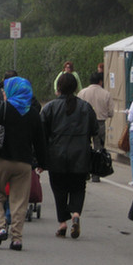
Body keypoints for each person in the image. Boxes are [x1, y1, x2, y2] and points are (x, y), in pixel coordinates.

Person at [0, 77, 47, 251]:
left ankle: (0, 228)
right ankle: (17, 238)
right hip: (24, 163)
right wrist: (42, 162)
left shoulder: (2, 108)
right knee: (20, 201)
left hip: (1, 160)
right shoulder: (33, 113)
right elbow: (40, 141)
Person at [40, 73, 98, 239]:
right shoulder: (85, 107)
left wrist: (40, 159)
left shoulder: (50, 107)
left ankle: (62, 223)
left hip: (56, 155)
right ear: (76, 88)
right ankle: (76, 215)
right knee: (78, 187)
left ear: (58, 87)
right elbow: (94, 130)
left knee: (59, 189)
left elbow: (42, 134)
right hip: (81, 155)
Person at [77, 72, 114, 182]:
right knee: (99, 147)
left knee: (85, 146)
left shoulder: (82, 93)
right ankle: (96, 174)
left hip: (85, 123)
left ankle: (85, 170)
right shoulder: (106, 94)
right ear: (100, 81)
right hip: (100, 123)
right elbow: (111, 112)